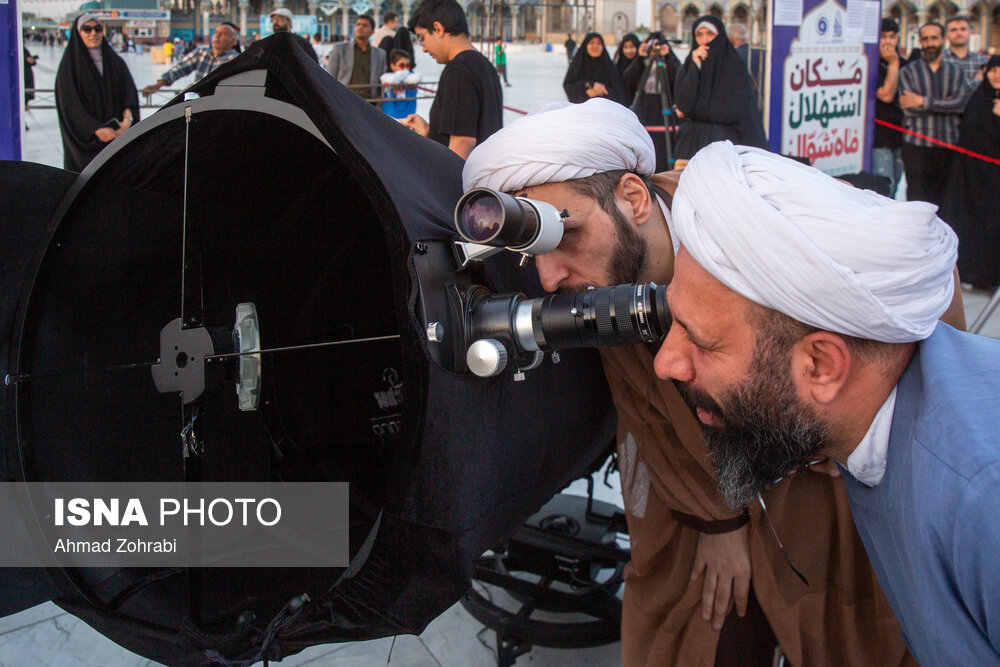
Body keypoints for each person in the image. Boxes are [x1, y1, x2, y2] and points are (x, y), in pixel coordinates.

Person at [462, 99, 920, 667]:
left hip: (820, 483)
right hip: (695, 488)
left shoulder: (757, 216)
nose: (550, 279)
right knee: (695, 627)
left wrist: (864, 413)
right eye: (533, 256)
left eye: (565, 235)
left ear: (634, 198)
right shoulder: (604, 281)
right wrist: (717, 524)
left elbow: (918, 284)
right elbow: (646, 412)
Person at [653, 140, 995, 665]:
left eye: (701, 340)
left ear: (822, 367)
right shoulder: (869, 421)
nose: (666, 363)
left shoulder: (981, 502)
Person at [402, 0, 502, 159]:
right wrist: (429, 130)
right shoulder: (484, 66)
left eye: (422, 38)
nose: (424, 48)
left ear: (438, 29)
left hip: (463, 173)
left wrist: (441, 176)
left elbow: (463, 142)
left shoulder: (459, 70)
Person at [941, 55, 1000, 289]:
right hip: (971, 175)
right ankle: (968, 274)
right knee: (968, 223)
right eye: (993, 70)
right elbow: (971, 132)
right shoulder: (978, 97)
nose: (997, 75)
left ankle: (991, 278)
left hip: (995, 179)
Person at [673, 17, 767, 160]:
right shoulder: (689, 65)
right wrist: (695, 67)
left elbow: (733, 111)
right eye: (699, 35)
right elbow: (683, 107)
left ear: (719, 36)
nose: (704, 40)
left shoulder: (734, 65)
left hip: (723, 140)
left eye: (710, 34)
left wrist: (697, 113)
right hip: (691, 142)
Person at [55, 14, 140, 172]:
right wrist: (95, 129)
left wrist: (127, 122)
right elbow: (70, 105)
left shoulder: (115, 62)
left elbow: (130, 94)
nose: (93, 33)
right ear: (78, 33)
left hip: (118, 138)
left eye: (98, 28)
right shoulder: (70, 67)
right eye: (87, 29)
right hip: (87, 145)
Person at [898, 22, 967, 207]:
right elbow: (909, 109)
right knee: (917, 202)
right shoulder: (908, 72)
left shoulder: (956, 72)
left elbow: (959, 105)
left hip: (948, 145)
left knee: (945, 202)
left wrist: (922, 101)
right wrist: (945, 103)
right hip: (917, 146)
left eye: (934, 38)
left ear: (943, 40)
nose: (930, 43)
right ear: (920, 41)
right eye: (925, 39)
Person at [623, 33, 681, 171]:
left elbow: (678, 79)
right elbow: (627, 79)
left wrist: (667, 57)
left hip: (664, 111)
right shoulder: (642, 63)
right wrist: (640, 57)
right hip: (645, 109)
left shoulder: (669, 61)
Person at [141, 24, 239, 94]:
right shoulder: (201, 53)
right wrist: (158, 85)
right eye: (216, 33)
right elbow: (179, 68)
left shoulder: (234, 59)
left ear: (233, 42)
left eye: (223, 34)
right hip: (198, 102)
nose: (217, 36)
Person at [873, 18, 905, 198]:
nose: (888, 42)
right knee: (885, 188)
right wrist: (893, 64)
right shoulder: (872, 64)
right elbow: (886, 95)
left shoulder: (905, 64)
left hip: (901, 137)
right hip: (880, 138)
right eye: (883, 36)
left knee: (896, 185)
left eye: (892, 37)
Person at [326, 15, 386, 100]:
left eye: (365, 25)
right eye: (358, 24)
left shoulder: (380, 54)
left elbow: (381, 80)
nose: (360, 27)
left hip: (369, 101)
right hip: (344, 98)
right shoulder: (340, 49)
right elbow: (330, 75)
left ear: (372, 32)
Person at [562, 33, 627, 105]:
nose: (595, 46)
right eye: (591, 43)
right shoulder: (577, 65)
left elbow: (620, 93)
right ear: (586, 45)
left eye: (599, 43)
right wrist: (589, 88)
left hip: (605, 109)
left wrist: (602, 92)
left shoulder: (609, 67)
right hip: (581, 110)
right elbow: (568, 85)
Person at [943, 15, 988, 90]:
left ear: (970, 32)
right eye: (953, 30)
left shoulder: (982, 61)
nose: (959, 33)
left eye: (963, 29)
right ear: (946, 34)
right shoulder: (939, 59)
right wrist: (976, 82)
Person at [380, 49, 420, 119]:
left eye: (408, 66)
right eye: (401, 66)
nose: (405, 69)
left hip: (408, 118)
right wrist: (402, 78)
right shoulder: (387, 77)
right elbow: (391, 80)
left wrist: (402, 79)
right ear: (392, 66)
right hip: (390, 118)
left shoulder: (412, 78)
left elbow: (417, 78)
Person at [612, 32, 640, 100]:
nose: (629, 51)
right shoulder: (618, 65)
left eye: (632, 46)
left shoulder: (642, 63)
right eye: (625, 47)